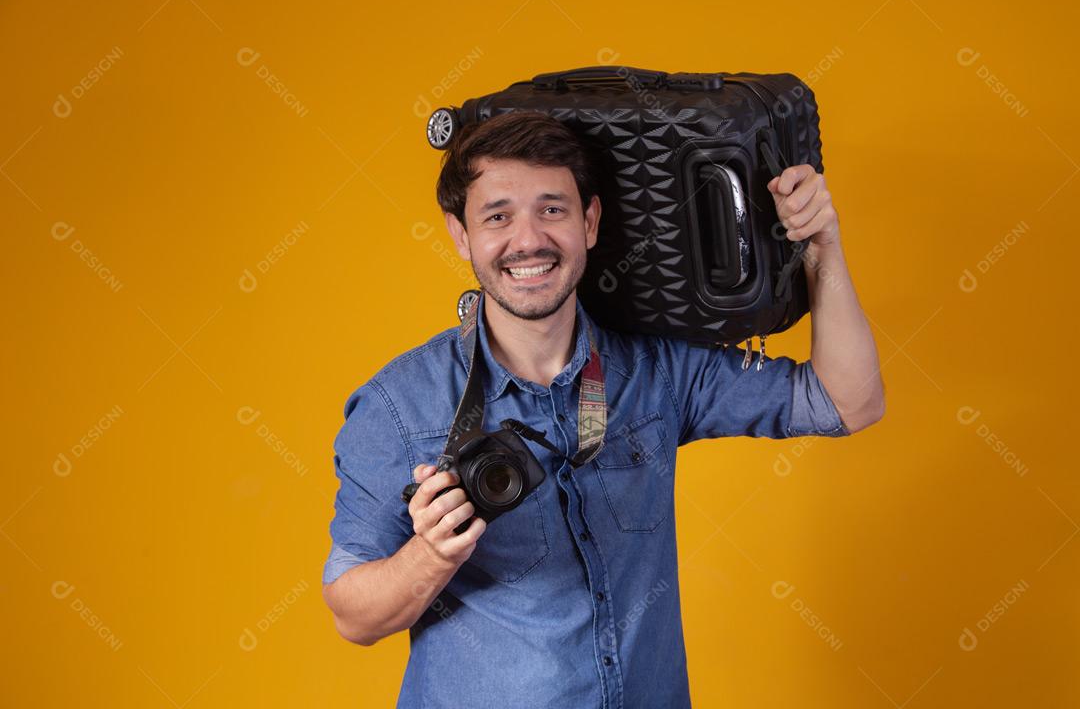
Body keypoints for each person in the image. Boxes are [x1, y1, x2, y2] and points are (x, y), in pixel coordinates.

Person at [321, 110, 885, 707]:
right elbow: (353, 616)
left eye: (552, 209)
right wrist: (430, 556)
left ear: (589, 222)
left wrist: (822, 248)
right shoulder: (399, 406)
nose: (528, 240)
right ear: (461, 234)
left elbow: (847, 400)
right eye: (497, 216)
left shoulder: (658, 369)